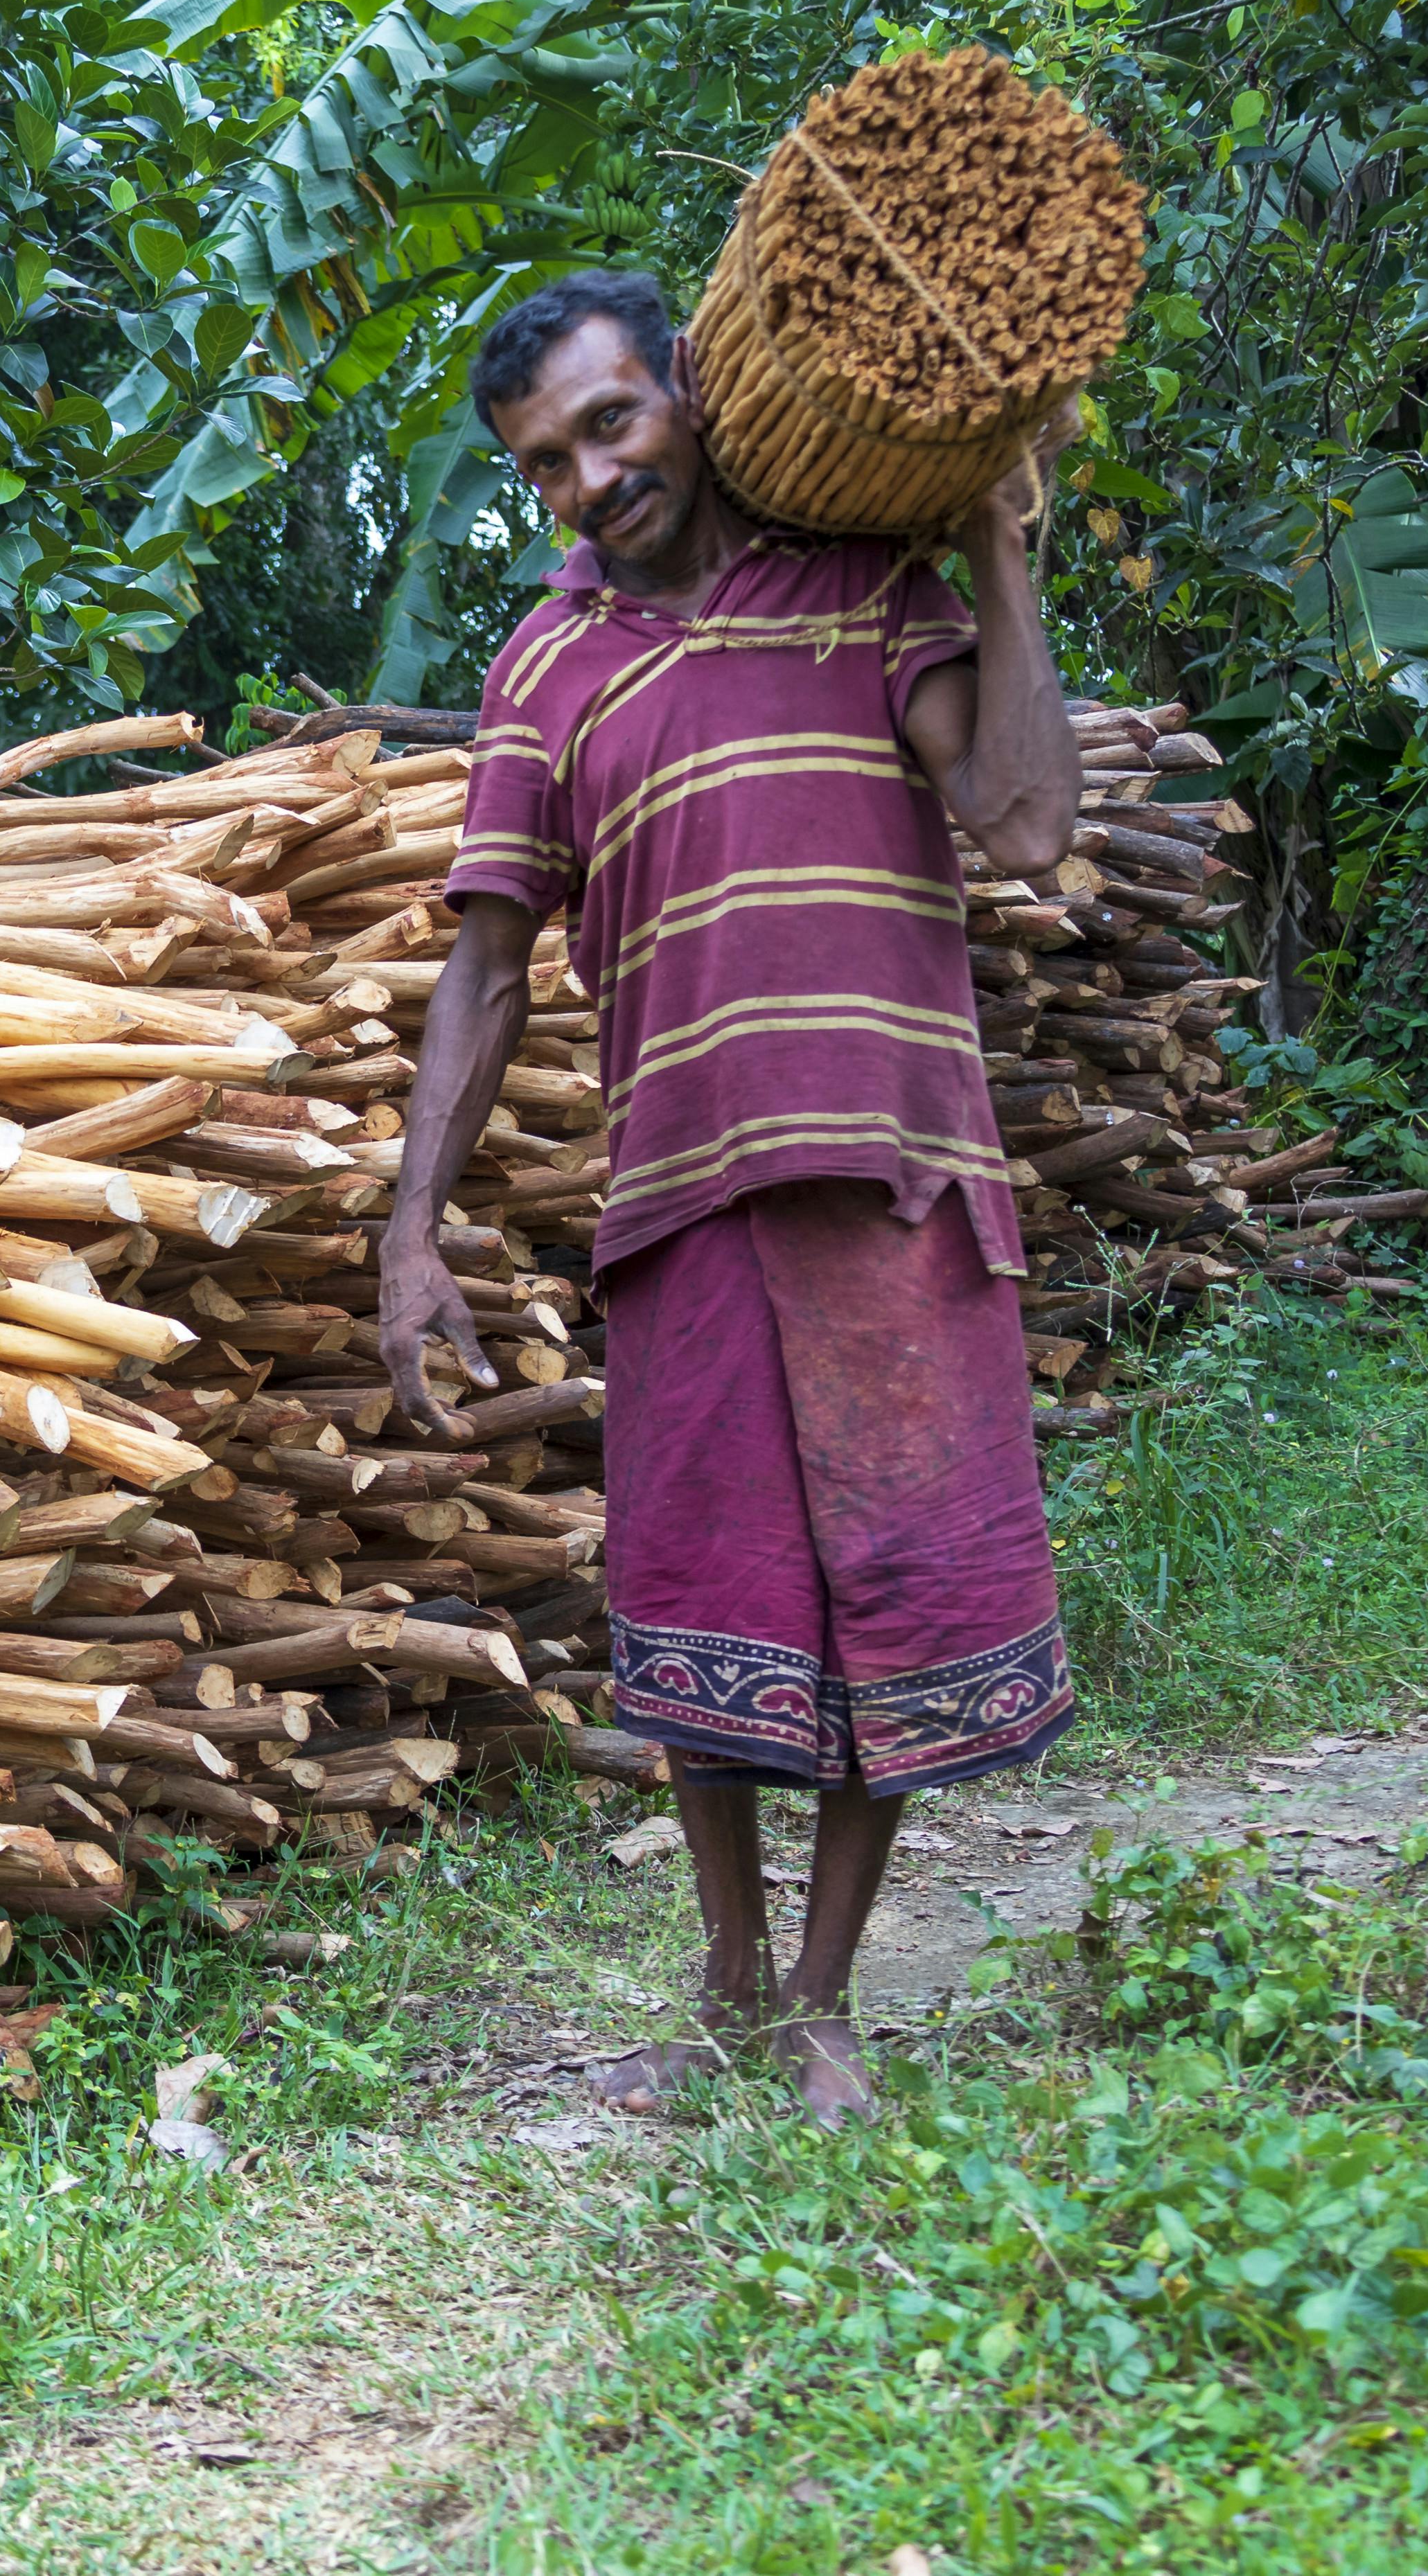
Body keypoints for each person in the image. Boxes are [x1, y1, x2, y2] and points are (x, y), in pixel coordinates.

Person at [378, 267, 1084, 2124]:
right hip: (681, 1203)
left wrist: (1000, 544)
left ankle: (825, 1998)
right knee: (712, 1612)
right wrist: (407, 1234)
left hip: (898, 1178)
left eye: (612, 423)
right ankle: (729, 1971)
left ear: (689, 390)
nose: (590, 478)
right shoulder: (545, 670)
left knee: (899, 1601)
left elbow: (1022, 822)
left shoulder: (869, 589)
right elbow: (486, 965)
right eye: (547, 461)